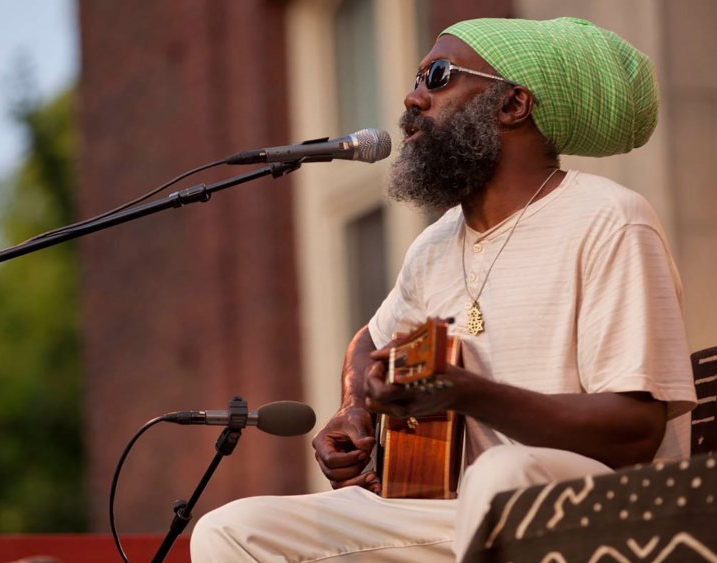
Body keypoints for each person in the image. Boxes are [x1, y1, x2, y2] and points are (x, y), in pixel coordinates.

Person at [190, 17, 697, 562]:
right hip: (461, 516)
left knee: (503, 473)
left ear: (513, 105)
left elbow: (636, 430)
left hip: (598, 514)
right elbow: (371, 338)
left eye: (438, 75)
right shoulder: (435, 246)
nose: (412, 97)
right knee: (232, 529)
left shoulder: (609, 218)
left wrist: (468, 392)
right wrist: (355, 408)